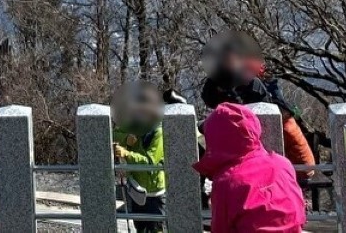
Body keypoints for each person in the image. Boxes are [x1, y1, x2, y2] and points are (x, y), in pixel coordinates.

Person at [199, 32, 316, 173]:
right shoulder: (215, 80)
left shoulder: (250, 79)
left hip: (261, 127)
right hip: (232, 128)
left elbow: (265, 109)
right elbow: (209, 98)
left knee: (291, 140)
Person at [193, 103, 307, 233]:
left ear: (217, 139)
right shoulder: (282, 164)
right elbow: (298, 207)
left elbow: (221, 228)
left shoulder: (226, 181)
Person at [111, 82, 166, 232]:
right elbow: (114, 133)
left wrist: (126, 154)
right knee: (140, 228)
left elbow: (150, 162)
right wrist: (126, 138)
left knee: (156, 228)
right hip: (136, 189)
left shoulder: (158, 132)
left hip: (154, 192)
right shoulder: (134, 124)